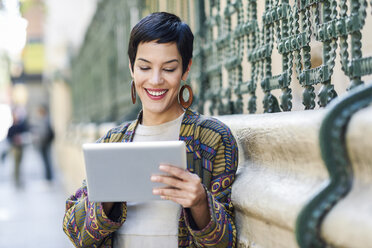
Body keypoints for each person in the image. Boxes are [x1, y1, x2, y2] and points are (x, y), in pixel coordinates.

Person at [63, 12, 238, 248]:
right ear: (131, 68)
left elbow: (227, 243)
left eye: (169, 69)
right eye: (144, 67)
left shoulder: (212, 138)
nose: (155, 80)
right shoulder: (112, 142)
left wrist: (199, 203)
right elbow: (74, 231)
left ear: (186, 69)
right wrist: (105, 199)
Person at [6, 106, 29, 187]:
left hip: (21, 147)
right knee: (16, 164)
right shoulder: (11, 128)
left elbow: (26, 135)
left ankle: (20, 179)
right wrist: (14, 140)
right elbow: (8, 138)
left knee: (21, 164)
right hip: (15, 148)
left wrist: (21, 139)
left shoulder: (21, 126)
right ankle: (16, 180)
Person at [32, 105, 54, 181]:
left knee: (46, 161)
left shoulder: (44, 120)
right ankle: (48, 177)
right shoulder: (43, 120)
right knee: (46, 161)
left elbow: (44, 133)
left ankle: (48, 178)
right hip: (43, 143)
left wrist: (39, 139)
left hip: (44, 144)